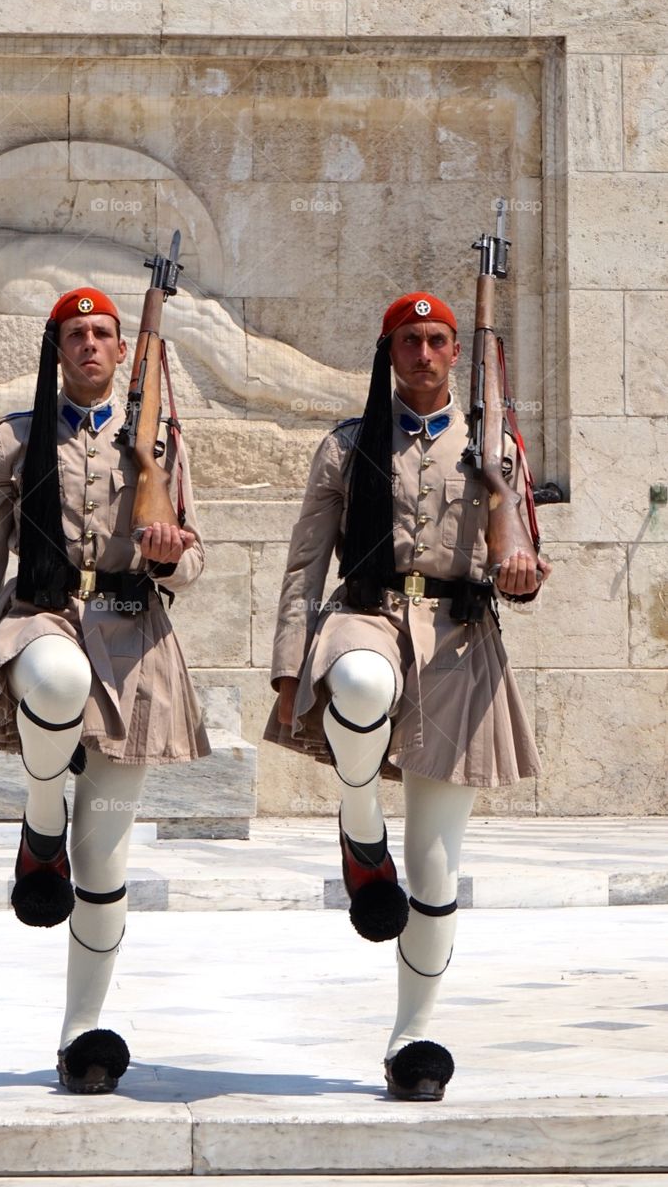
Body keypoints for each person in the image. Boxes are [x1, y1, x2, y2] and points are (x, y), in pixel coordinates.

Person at [265, 291, 551, 1101]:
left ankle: (411, 1036)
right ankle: (360, 831)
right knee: (354, 681)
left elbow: (520, 551)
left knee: (434, 869)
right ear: (387, 353)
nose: (423, 355)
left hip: (459, 642)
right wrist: (291, 668)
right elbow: (302, 567)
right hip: (367, 615)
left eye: (436, 341)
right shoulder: (348, 445)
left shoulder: (495, 447)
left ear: (455, 353)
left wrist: (522, 572)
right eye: (408, 342)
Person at [0, 286, 209, 1094]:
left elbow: (193, 562)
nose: (91, 346)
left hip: (132, 637)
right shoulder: (17, 438)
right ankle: (39, 823)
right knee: (54, 675)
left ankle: (82, 1031)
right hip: (42, 615)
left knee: (102, 856)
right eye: (77, 335)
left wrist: (168, 552)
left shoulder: (162, 443)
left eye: (104, 335)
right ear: (56, 349)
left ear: (122, 352)